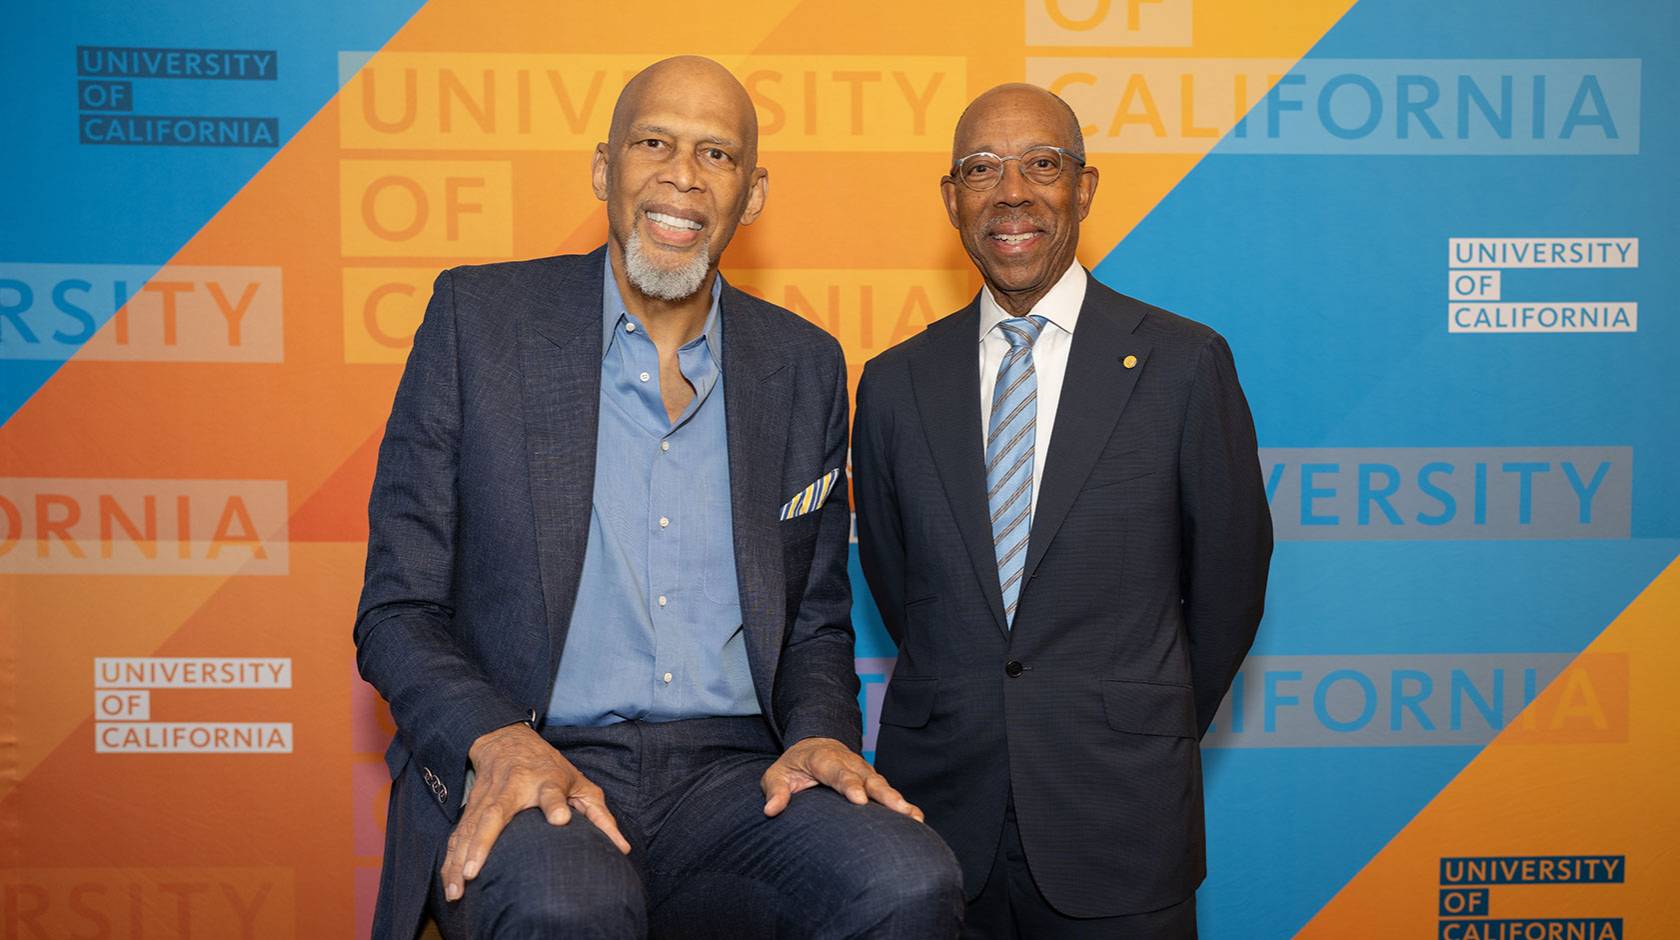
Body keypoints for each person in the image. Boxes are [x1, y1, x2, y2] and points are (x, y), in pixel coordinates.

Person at [355, 55, 962, 940]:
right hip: (540, 753)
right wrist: (495, 738)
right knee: (570, 906)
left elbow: (814, 620)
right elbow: (398, 609)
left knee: (907, 880)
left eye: (717, 154)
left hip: (735, 777)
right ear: (605, 169)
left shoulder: (804, 365)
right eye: (654, 144)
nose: (684, 175)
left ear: (752, 194)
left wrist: (820, 731)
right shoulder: (478, 321)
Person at [852, 83, 1273, 938]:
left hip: (1121, 817)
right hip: (940, 821)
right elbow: (903, 590)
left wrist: (1136, 721)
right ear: (952, 200)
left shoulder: (1184, 364)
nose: (1012, 193)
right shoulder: (894, 383)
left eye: (1042, 164)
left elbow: (1229, 586)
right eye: (982, 169)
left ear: (1084, 188)